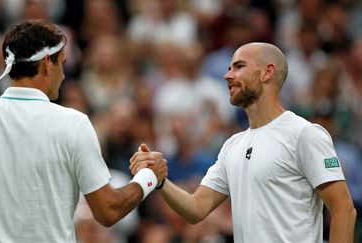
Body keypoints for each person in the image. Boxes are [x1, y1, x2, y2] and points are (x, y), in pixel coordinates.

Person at [0, 19, 167, 243]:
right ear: (45, 63)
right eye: (61, 64)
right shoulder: (74, 124)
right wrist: (148, 178)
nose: (63, 75)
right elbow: (108, 211)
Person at [130, 42, 356, 243]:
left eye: (238, 67)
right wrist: (160, 181)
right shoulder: (232, 146)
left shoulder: (304, 134)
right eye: (229, 68)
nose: (228, 75)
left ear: (267, 73)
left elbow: (344, 209)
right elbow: (196, 209)